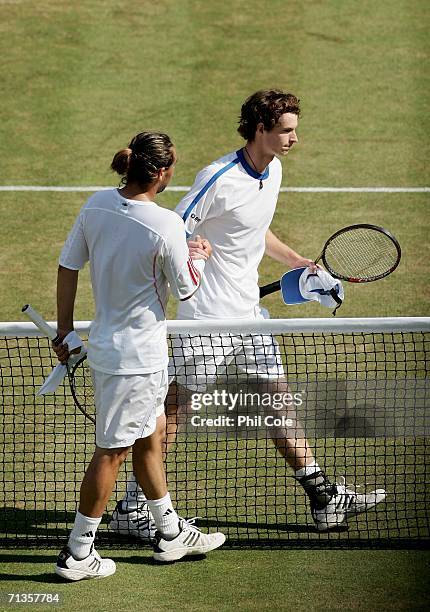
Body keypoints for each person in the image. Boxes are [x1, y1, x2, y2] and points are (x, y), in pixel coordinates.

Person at [111, 90, 386, 539]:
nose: (294, 139)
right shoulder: (218, 177)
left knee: (279, 402)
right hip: (207, 319)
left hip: (249, 315)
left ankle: (323, 500)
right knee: (176, 412)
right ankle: (131, 506)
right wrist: (191, 252)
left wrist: (299, 262)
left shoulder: (272, 171)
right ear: (261, 129)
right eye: (286, 131)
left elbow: (257, 232)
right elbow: (168, 229)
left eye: (294, 129)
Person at [52, 131, 225, 581]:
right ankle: (77, 553)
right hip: (138, 361)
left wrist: (65, 329)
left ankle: (169, 533)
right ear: (162, 173)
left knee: (153, 435)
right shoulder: (166, 224)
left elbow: (68, 266)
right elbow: (187, 286)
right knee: (111, 453)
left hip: (115, 351)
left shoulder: (95, 205)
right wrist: (199, 255)